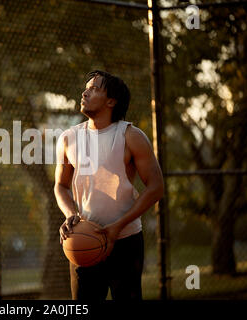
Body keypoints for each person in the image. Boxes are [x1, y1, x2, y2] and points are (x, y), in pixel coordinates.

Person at [54, 70, 164, 300]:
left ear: (111, 101)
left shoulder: (131, 136)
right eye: (86, 87)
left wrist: (118, 226)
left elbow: (156, 187)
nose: (85, 91)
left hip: (125, 241)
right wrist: (70, 214)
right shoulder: (68, 138)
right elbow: (61, 186)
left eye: (94, 88)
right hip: (83, 241)